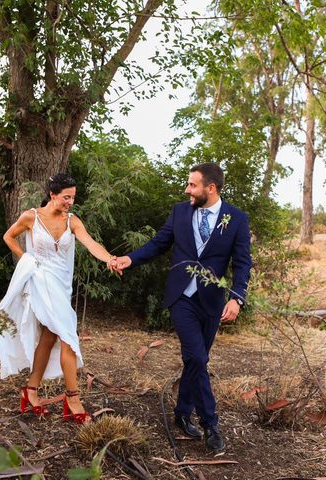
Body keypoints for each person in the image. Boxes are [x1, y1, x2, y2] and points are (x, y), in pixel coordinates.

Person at [115, 162, 252, 452]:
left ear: (210, 188)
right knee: (199, 359)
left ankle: (181, 412)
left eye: (192, 185)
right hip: (181, 297)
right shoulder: (180, 212)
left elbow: (242, 263)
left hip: (212, 301)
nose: (187, 189)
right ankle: (210, 425)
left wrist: (237, 298)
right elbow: (158, 243)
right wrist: (131, 258)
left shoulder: (236, 219)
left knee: (195, 360)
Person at [0, 173, 118, 424]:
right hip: (40, 281)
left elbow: (91, 243)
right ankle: (72, 398)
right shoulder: (31, 217)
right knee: (68, 336)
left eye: (73, 197)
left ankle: (30, 391)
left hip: (61, 284)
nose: (70, 202)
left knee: (49, 337)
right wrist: (26, 259)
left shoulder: (72, 221)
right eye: (66, 197)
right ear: (52, 195)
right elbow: (8, 236)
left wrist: (110, 259)